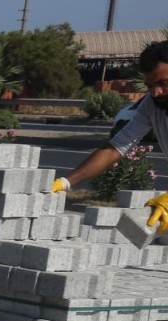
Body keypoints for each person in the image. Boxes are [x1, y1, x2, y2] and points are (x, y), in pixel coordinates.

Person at [53, 40, 168, 233]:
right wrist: (66, 182)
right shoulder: (151, 105)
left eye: (163, 83)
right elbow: (117, 147)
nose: (156, 92)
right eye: (150, 85)